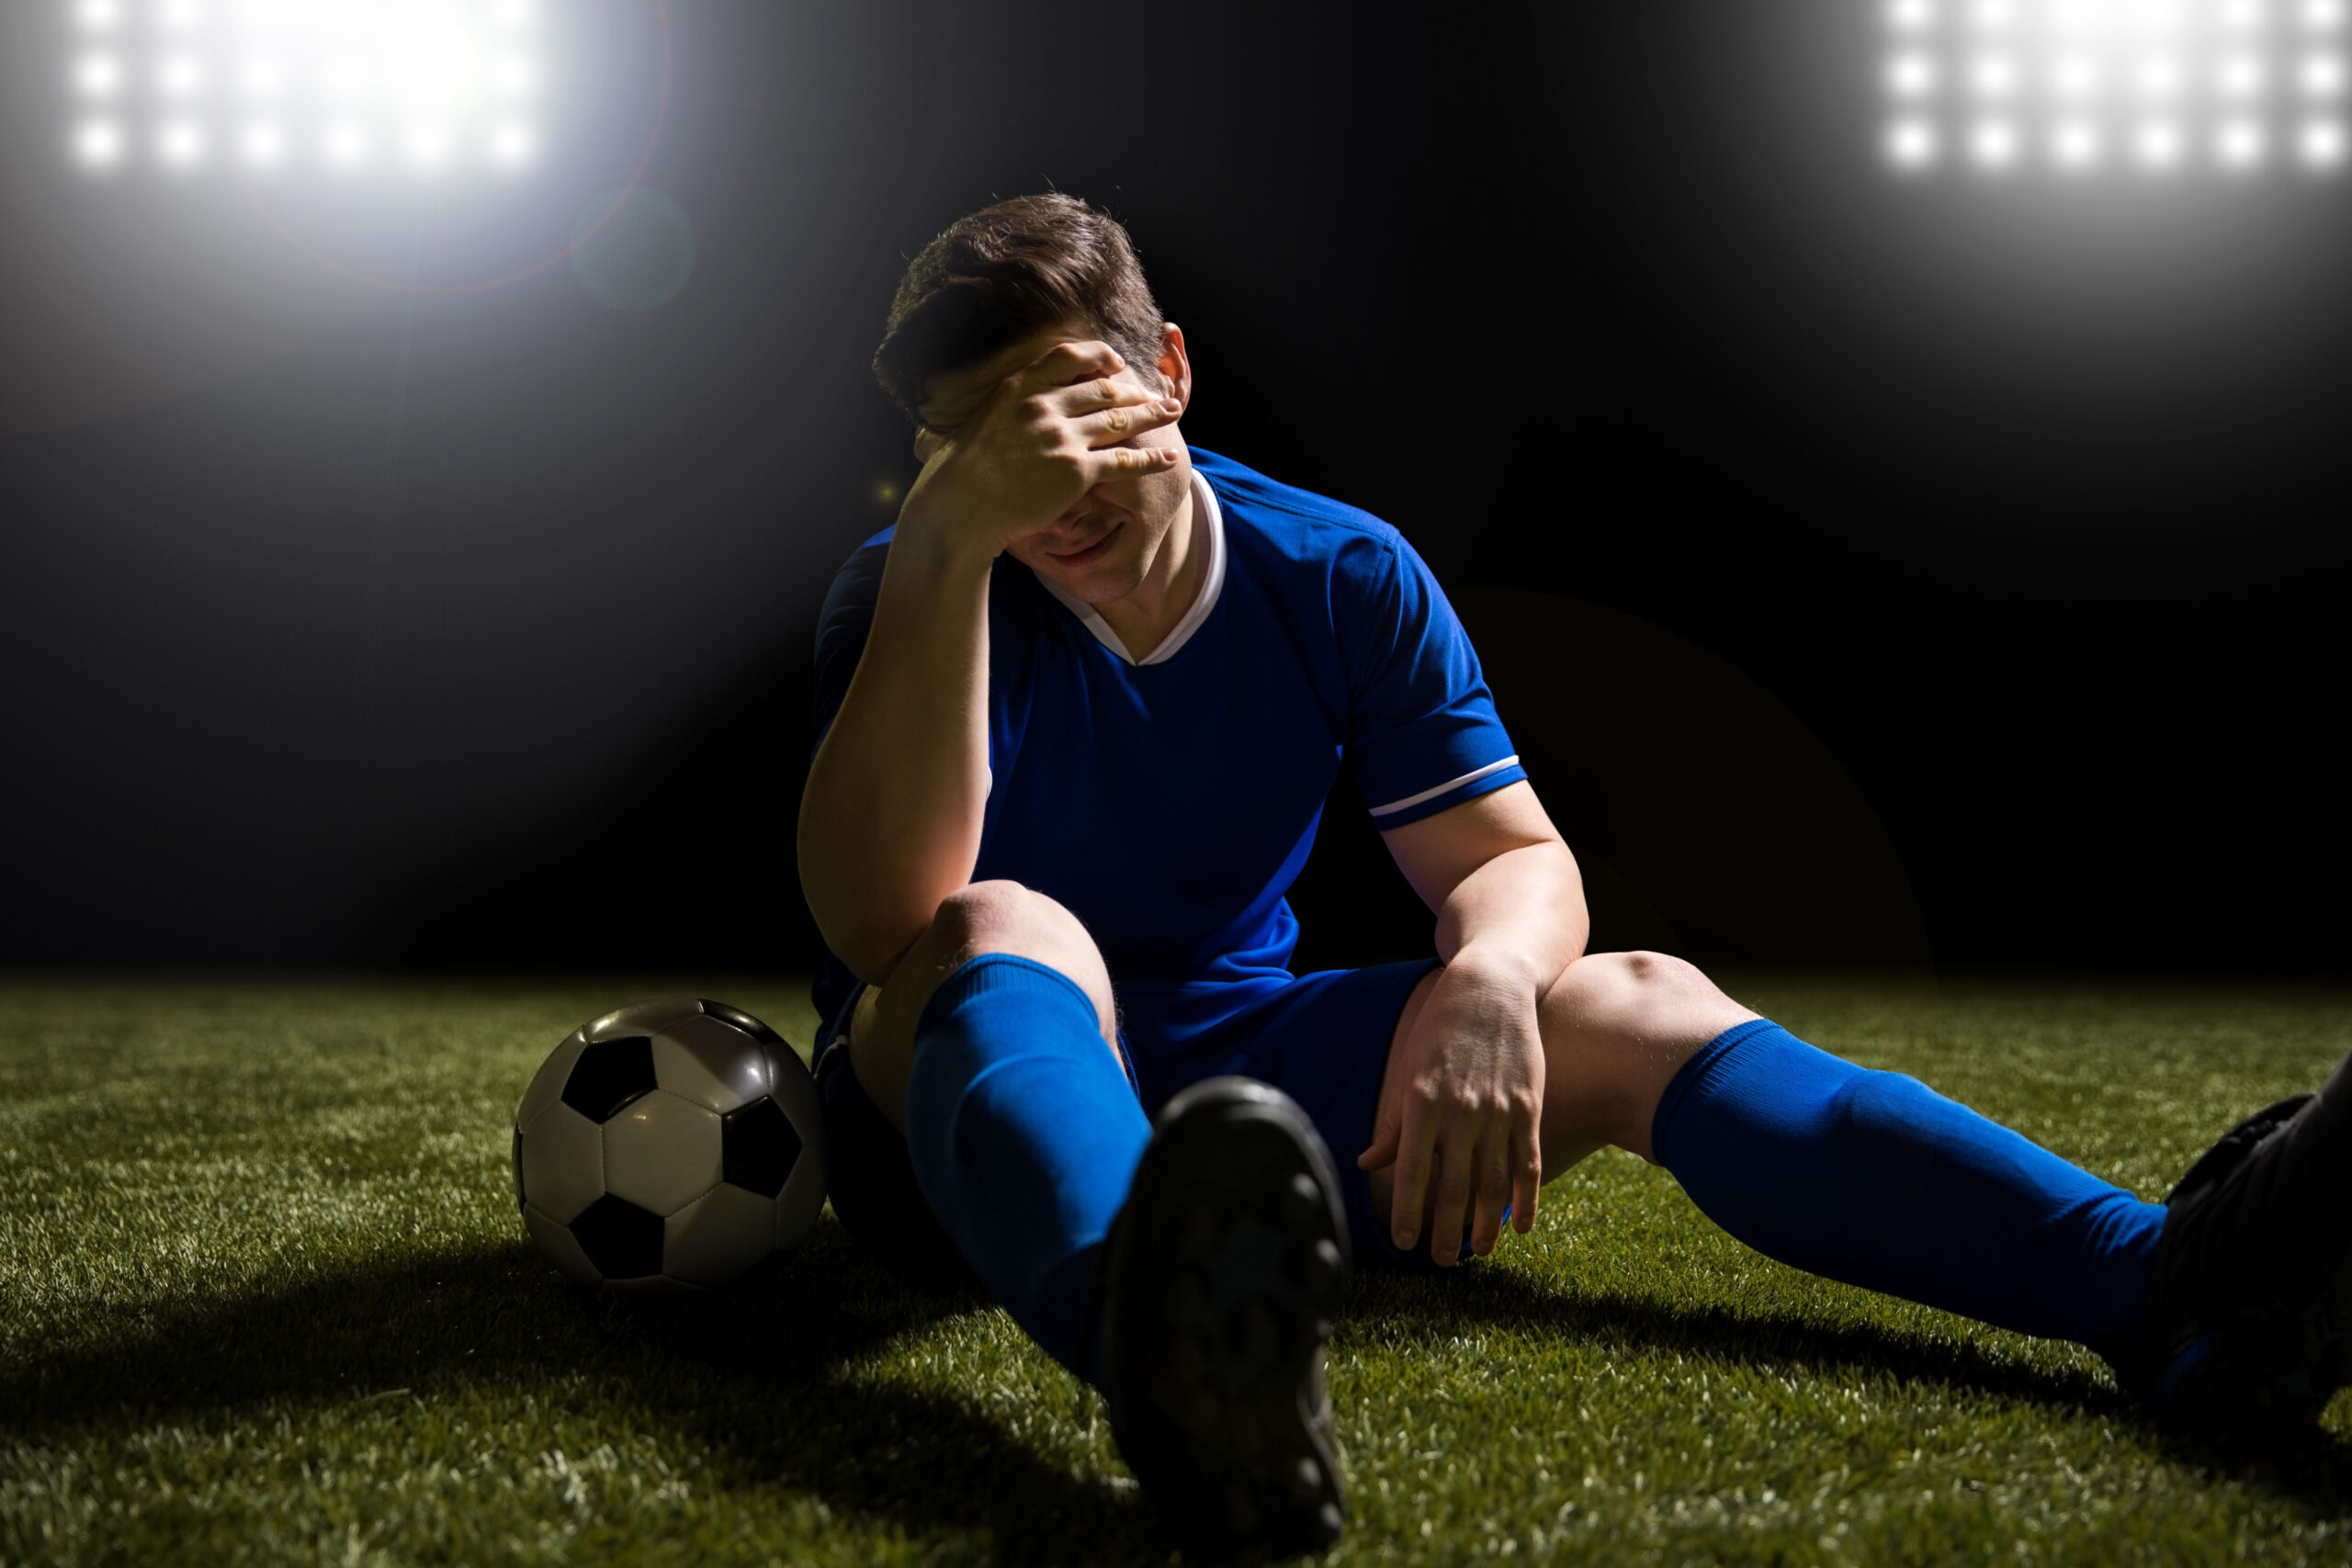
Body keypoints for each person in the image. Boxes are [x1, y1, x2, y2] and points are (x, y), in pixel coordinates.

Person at [797, 192, 2352, 1557]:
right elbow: (883, 928)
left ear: (1173, 372)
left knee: (1630, 1000)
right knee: (1009, 918)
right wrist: (940, 550)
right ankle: (1157, 1340)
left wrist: (1484, 978)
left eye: (1067, 398)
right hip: (944, 1129)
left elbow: (1513, 858)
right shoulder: (919, 583)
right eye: (983, 435)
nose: (1044, 467)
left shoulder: (1337, 569)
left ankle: (2172, 1290)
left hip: (1237, 1120)